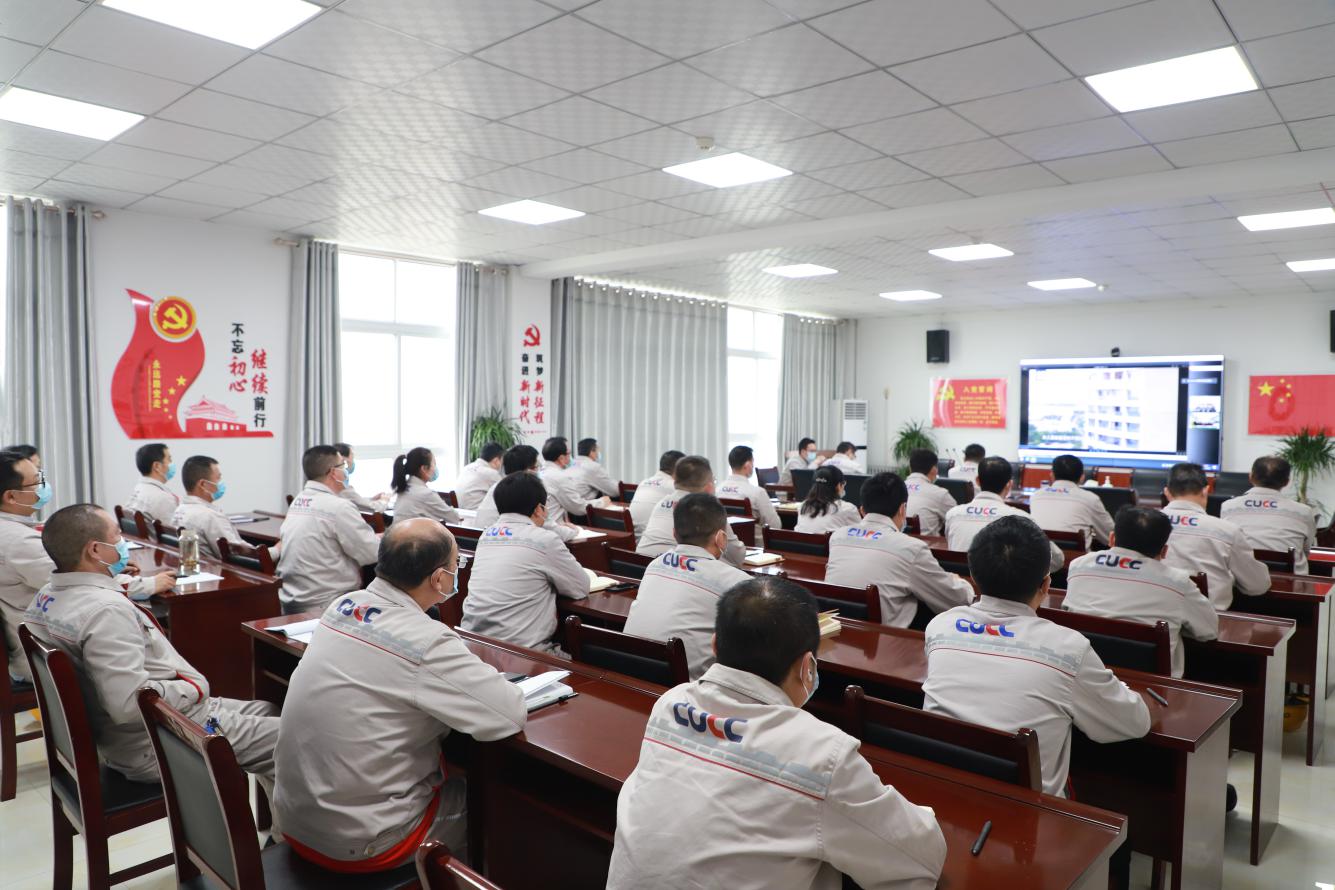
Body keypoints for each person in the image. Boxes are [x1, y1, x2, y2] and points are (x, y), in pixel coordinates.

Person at [607, 577, 947, 890]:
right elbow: (922, 855)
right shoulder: (821, 753)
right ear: (807, 666)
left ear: (714, 645)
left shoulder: (670, 703)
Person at [274, 519, 525, 871]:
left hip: (296, 821)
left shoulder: (342, 606)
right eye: (457, 564)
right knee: (508, 802)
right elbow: (508, 715)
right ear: (439, 579)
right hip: (368, 841)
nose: (458, 572)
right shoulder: (426, 640)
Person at [22, 504, 279, 788]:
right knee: (299, 736)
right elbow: (127, 705)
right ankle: (280, 817)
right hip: (159, 740)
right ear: (95, 550)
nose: (122, 542)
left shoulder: (46, 596)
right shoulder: (107, 611)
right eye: (117, 535)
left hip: (135, 731)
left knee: (270, 711)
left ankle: (275, 810)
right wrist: (192, 688)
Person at [923, 516, 1151, 797]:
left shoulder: (940, 626)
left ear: (973, 575)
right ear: (1045, 585)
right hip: (1028, 811)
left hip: (943, 792)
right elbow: (1134, 723)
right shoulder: (1067, 648)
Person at [2, 454, 171, 681]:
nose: (43, 486)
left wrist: (106, 565)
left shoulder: (10, 532)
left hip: (40, 641)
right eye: (36, 481)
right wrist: (149, 584)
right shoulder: (18, 541)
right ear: (11, 496)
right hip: (48, 655)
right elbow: (79, 582)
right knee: (156, 655)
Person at [1064, 506, 1218, 678]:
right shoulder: (1177, 582)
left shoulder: (1078, 566)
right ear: (1164, 551)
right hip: (1150, 684)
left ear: (1112, 538)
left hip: (1082, 673)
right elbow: (1209, 631)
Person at [623, 493, 751, 678]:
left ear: (674, 534)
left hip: (634, 674)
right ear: (721, 538)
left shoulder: (654, 565)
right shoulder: (736, 582)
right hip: (688, 687)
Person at [461, 473, 589, 654]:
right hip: (523, 655)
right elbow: (580, 588)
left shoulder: (486, 535)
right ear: (539, 509)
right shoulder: (544, 539)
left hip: (474, 647)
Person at [826, 472, 974, 628]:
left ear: (862, 510)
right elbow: (957, 600)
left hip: (836, 631)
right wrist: (961, 583)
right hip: (886, 638)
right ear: (903, 509)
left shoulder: (837, 537)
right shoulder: (910, 549)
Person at [277, 446, 380, 614]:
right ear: (333, 472)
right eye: (343, 466)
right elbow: (372, 553)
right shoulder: (339, 507)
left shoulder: (299, 500)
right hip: (330, 603)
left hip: (292, 600)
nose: (346, 471)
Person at [1161, 462, 1270, 609]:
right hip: (1208, 618)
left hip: (1154, 614)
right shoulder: (1227, 530)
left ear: (1167, 492)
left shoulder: (1143, 526)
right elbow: (1257, 586)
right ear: (1206, 491)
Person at [944, 456, 1064, 574]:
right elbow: (1057, 559)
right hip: (1000, 585)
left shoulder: (953, 514)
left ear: (977, 480)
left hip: (958, 581)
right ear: (1009, 485)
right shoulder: (1021, 519)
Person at [637, 456, 746, 567]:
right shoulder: (706, 509)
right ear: (709, 487)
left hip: (639, 564)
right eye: (713, 481)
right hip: (675, 568)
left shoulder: (661, 502)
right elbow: (737, 556)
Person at [1220, 456, 1318, 575]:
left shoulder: (1228, 507)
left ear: (1251, 477)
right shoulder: (1303, 512)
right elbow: (1306, 550)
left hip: (1240, 580)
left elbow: (1225, 546)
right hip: (1289, 582)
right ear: (1286, 482)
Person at [474, 445, 579, 542]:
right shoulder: (526, 490)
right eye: (536, 467)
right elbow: (548, 527)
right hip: (509, 543)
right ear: (528, 470)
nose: (539, 471)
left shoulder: (498, 486)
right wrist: (574, 531)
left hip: (485, 541)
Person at [1028, 454, 1115, 548]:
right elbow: (1111, 536)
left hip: (1039, 554)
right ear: (1082, 477)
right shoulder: (1090, 499)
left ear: (1051, 475)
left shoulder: (1036, 496)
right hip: (1077, 557)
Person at [171, 455, 244, 559]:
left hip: (196, 565)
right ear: (203, 484)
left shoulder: (179, 510)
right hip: (216, 568)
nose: (221, 483)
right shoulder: (210, 517)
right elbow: (236, 554)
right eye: (218, 478)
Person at [539, 436, 609, 522]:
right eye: (569, 453)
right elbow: (578, 507)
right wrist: (602, 502)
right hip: (556, 526)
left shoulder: (540, 472)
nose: (571, 457)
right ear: (561, 458)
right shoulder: (559, 477)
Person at [717, 445, 781, 533]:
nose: (753, 466)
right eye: (752, 462)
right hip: (755, 541)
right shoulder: (758, 493)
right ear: (747, 465)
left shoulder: (717, 490)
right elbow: (776, 525)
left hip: (726, 540)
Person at [390, 447, 461, 524]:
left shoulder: (402, 489)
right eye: (434, 464)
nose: (435, 468)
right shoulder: (426, 494)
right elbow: (454, 518)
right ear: (424, 468)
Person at [628, 449, 683, 537]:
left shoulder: (644, 482)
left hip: (634, 539)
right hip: (653, 539)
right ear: (679, 469)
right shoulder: (674, 486)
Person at [903, 448, 956, 536]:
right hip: (926, 543)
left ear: (910, 468)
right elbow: (956, 521)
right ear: (934, 470)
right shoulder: (940, 494)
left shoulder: (895, 488)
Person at [794, 465, 860, 533]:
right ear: (838, 486)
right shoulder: (848, 509)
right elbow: (859, 534)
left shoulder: (802, 506)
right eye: (843, 484)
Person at [125, 442, 179, 525]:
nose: (172, 463)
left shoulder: (139, 489)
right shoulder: (164, 499)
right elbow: (176, 531)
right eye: (169, 459)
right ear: (157, 466)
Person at [333, 442, 388, 513]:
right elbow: (374, 508)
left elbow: (354, 500)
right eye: (352, 454)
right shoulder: (342, 488)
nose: (353, 456)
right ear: (343, 459)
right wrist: (384, 500)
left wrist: (372, 499)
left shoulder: (329, 485)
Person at [452, 443, 504, 510]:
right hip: (477, 513)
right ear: (496, 461)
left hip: (462, 513)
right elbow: (506, 495)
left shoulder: (466, 468)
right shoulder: (491, 473)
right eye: (502, 461)